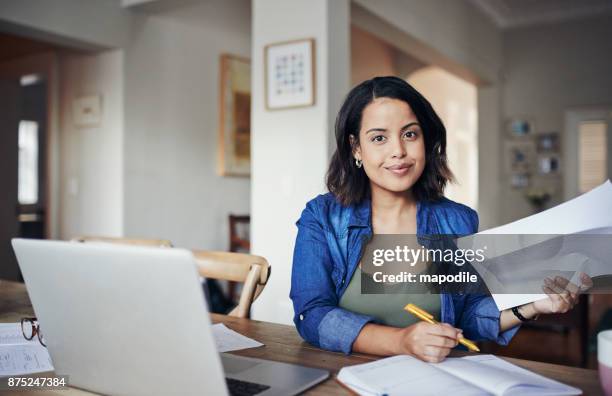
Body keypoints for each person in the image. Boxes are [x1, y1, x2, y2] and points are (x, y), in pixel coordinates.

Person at [289, 76, 591, 363]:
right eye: (379, 138)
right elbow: (311, 314)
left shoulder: (458, 221)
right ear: (356, 148)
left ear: (426, 140)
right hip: (341, 375)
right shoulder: (322, 217)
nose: (398, 151)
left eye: (410, 134)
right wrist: (400, 341)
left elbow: (468, 316)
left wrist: (533, 305)